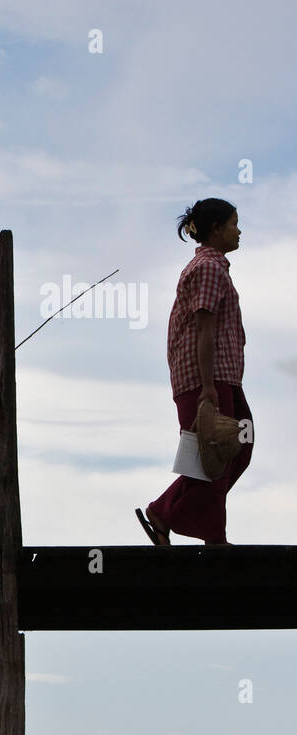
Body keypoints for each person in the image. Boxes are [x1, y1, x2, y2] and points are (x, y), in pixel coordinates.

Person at [137, 199, 250, 546]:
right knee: (214, 452)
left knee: (237, 446)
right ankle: (214, 538)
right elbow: (204, 329)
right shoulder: (208, 269)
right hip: (205, 378)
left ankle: (164, 511)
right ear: (216, 229)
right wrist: (206, 388)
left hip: (222, 377)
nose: (239, 230)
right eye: (233, 223)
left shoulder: (214, 267)